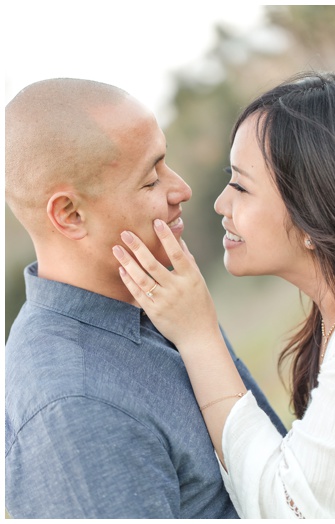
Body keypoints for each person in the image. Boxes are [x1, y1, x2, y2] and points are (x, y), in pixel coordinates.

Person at [4, 78, 285, 519]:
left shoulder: (161, 303)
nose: (182, 190)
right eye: (151, 179)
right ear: (70, 215)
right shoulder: (77, 410)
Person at [112, 71, 335, 519]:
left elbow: (287, 507)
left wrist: (198, 335)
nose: (220, 202)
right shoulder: (327, 320)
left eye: (240, 186)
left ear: (312, 209)